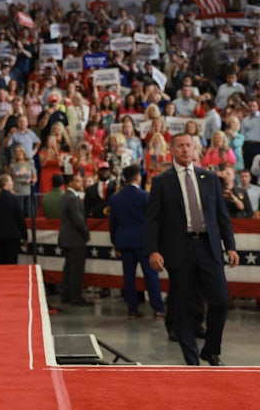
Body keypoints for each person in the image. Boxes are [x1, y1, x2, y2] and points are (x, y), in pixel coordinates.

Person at [145, 133, 240, 366]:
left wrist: (231, 246)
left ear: (195, 149)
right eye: (180, 146)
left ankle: (210, 348)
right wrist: (153, 250)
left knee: (219, 300)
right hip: (180, 249)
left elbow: (222, 216)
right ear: (172, 150)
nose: (185, 149)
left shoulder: (209, 178)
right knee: (183, 305)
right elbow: (153, 220)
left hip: (209, 247)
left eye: (189, 145)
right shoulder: (161, 182)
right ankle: (191, 360)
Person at [109, 165, 165, 319]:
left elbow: (112, 224)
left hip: (124, 241)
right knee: (151, 276)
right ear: (138, 177)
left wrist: (115, 242)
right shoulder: (145, 196)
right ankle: (158, 309)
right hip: (144, 242)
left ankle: (132, 309)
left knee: (129, 277)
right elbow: (153, 220)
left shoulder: (115, 198)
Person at [58, 172, 92, 306]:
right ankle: (76, 297)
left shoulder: (65, 196)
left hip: (66, 238)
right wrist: (86, 233)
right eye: (78, 181)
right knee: (76, 270)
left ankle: (65, 295)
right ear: (70, 183)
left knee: (68, 268)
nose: (81, 183)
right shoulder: (72, 198)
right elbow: (78, 220)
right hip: (75, 239)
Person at [0, 174, 27, 264]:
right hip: (12, 236)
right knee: (11, 263)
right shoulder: (14, 198)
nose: (12, 183)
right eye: (11, 181)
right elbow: (20, 218)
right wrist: (25, 235)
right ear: (6, 184)